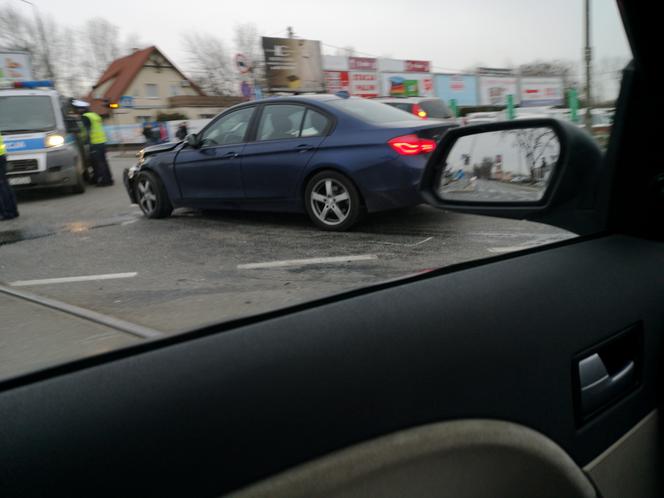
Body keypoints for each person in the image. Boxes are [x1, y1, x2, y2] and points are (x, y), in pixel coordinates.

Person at [76, 103, 114, 186]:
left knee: (98, 163)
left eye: (78, 109)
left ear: (81, 109)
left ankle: (104, 181)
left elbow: (87, 131)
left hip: (94, 142)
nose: (77, 111)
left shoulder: (85, 116)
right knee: (103, 161)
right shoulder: (94, 115)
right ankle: (107, 179)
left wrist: (84, 140)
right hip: (102, 141)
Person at [0, 131, 19, 220]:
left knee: (2, 186)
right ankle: (12, 211)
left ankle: (6, 213)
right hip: (1, 156)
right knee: (5, 185)